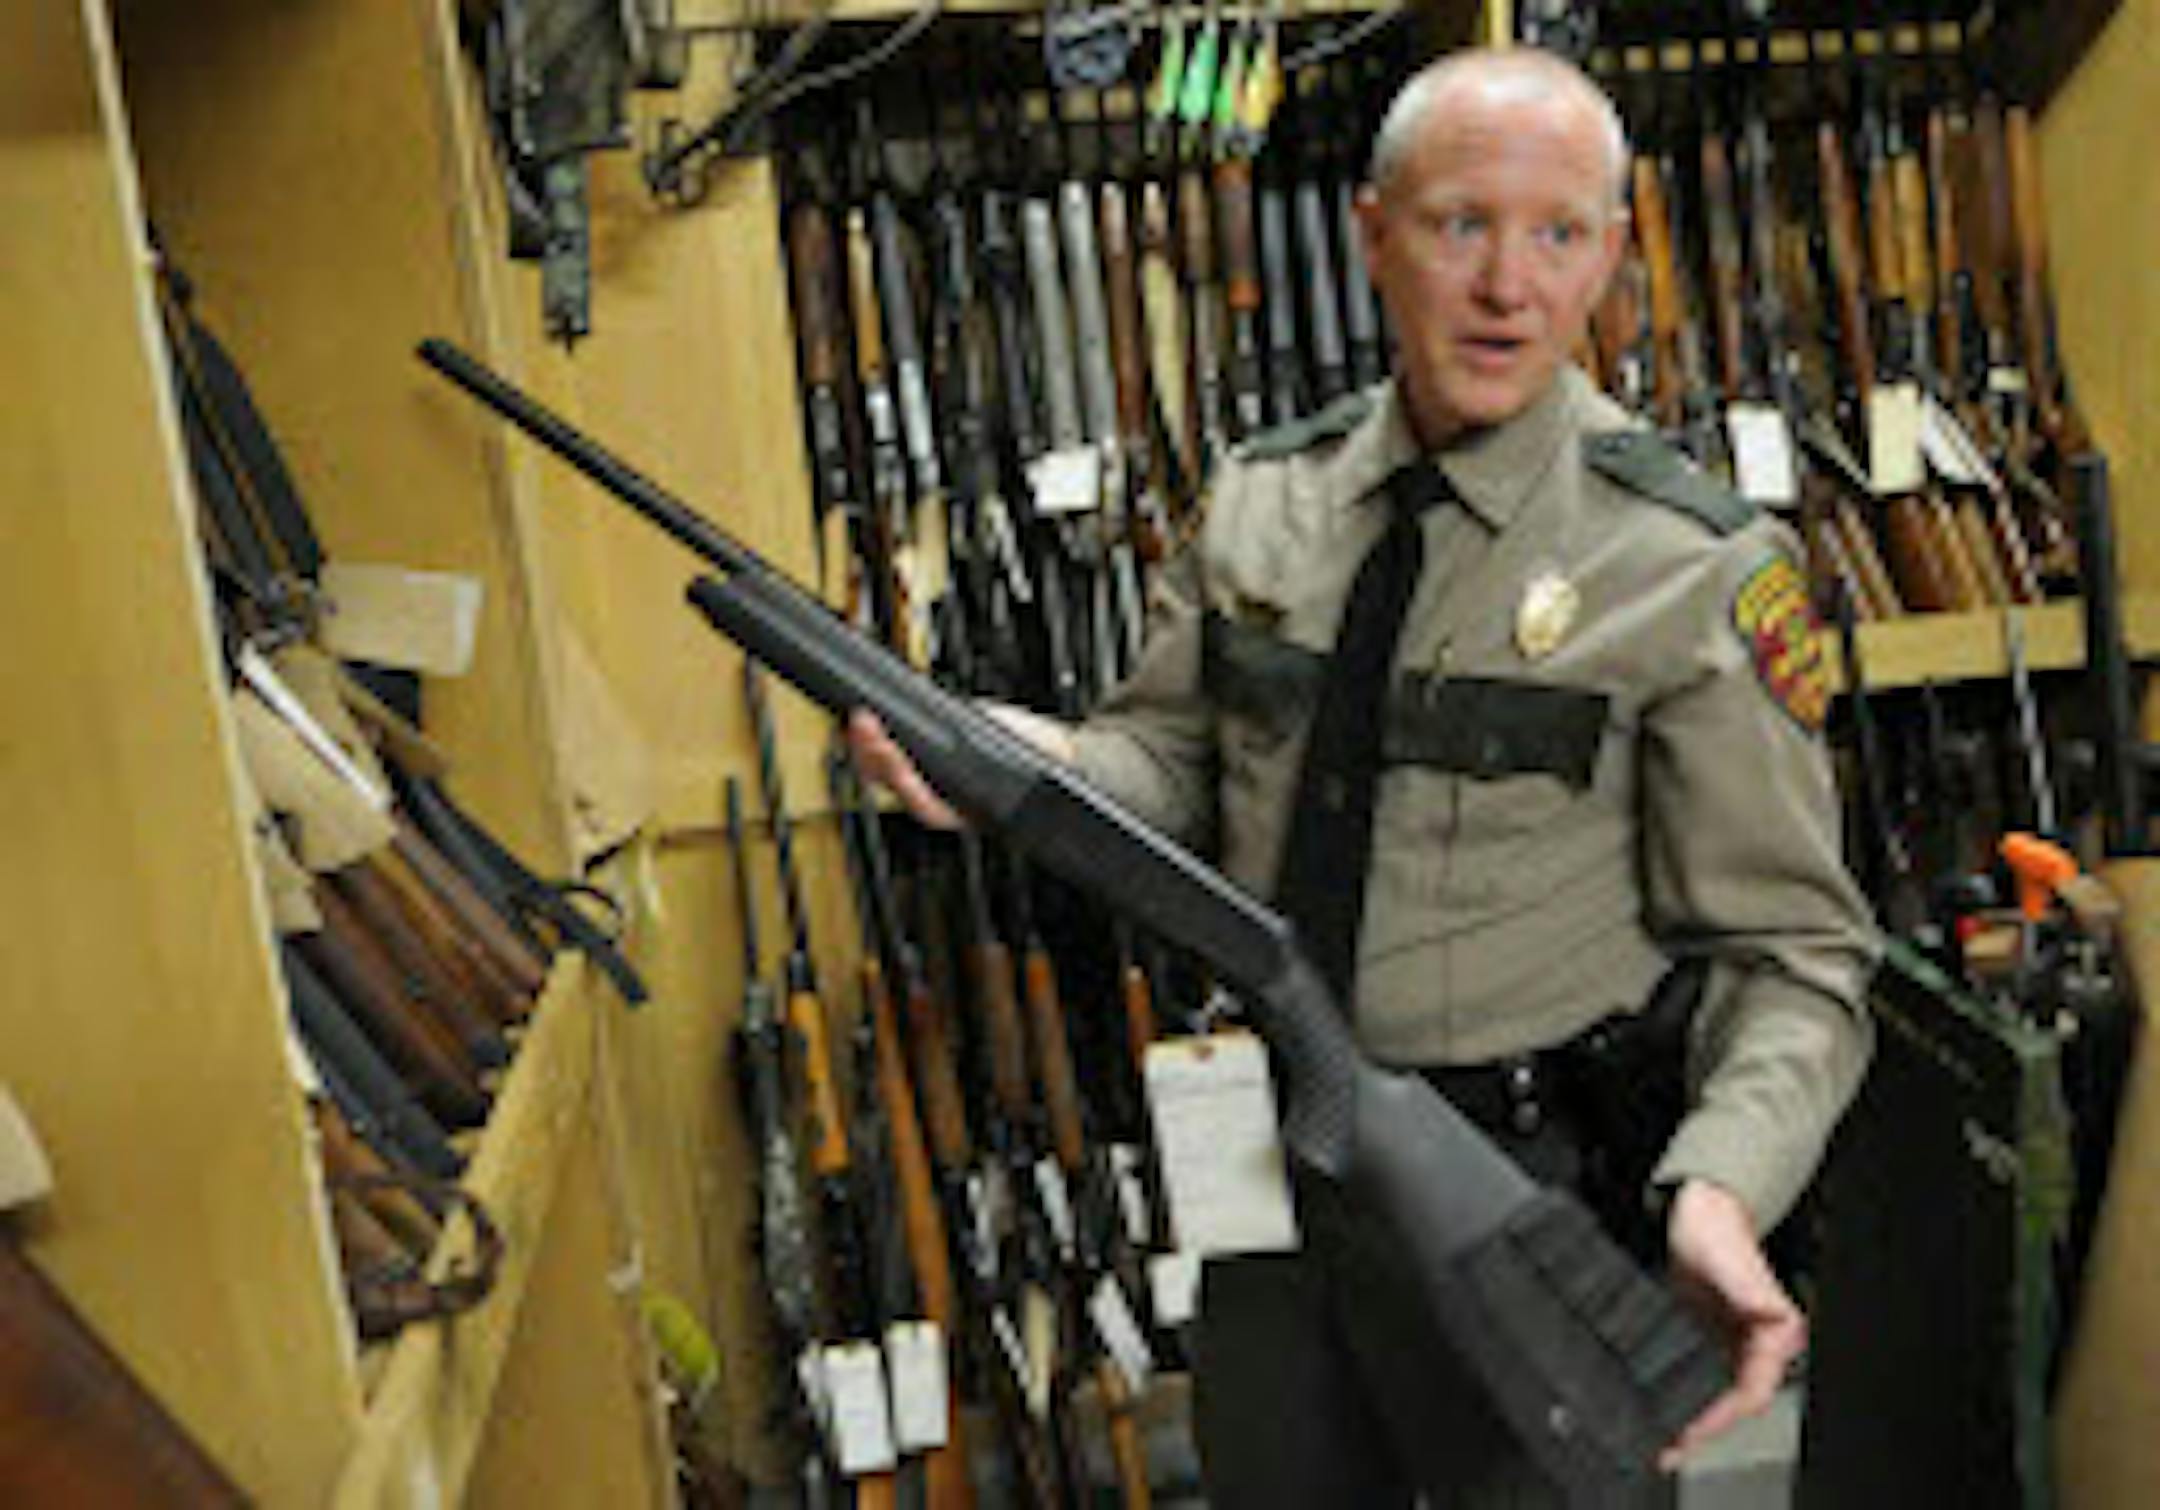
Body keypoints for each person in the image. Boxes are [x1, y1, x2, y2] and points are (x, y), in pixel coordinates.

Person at [852, 45, 1878, 1508]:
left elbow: (1798, 953)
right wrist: (1032, 761)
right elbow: (1168, 767)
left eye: (1559, 233)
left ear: (1612, 255)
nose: (1507, 285)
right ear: (1370, 233)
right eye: (1461, 223)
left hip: (1524, 1198)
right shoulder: (1267, 501)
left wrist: (1723, 1185)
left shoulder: (1687, 561)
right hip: (1274, 1182)